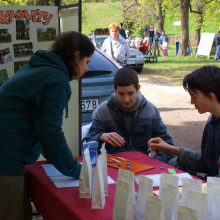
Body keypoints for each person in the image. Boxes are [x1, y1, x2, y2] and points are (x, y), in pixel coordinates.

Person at [0, 31, 94, 220]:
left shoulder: (43, 67)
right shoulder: (56, 80)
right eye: (86, 62)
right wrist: (77, 170)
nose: (87, 69)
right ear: (76, 56)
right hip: (5, 156)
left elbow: (44, 126)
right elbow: (50, 133)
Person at [83, 67, 174, 163]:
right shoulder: (102, 111)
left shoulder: (151, 111)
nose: (126, 99)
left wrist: (155, 162)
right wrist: (100, 137)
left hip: (143, 165)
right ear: (114, 89)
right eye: (121, 94)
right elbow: (88, 142)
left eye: (130, 93)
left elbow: (167, 145)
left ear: (138, 88)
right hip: (113, 165)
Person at [148, 66, 220, 179]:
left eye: (194, 97)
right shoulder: (213, 120)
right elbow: (206, 162)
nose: (191, 102)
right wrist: (171, 149)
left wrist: (194, 184)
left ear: (211, 96)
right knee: (173, 163)